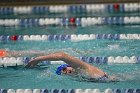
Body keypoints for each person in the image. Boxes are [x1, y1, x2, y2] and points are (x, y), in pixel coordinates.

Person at [25, 51, 117, 82]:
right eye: (63, 73)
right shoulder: (80, 76)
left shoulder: (80, 67)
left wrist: (38, 59)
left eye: (64, 68)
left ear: (70, 66)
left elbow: (62, 55)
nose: (66, 72)